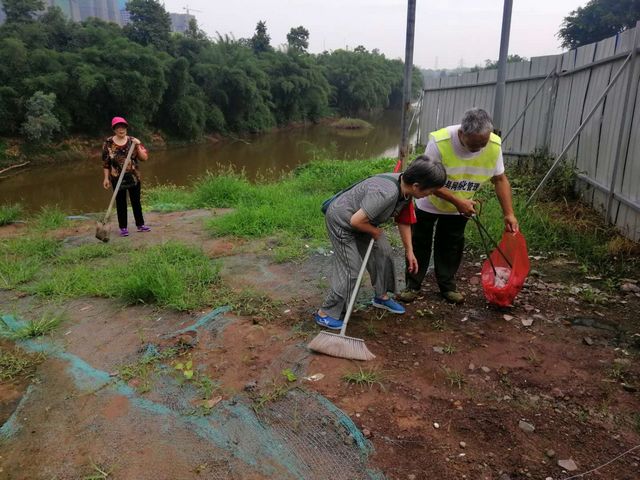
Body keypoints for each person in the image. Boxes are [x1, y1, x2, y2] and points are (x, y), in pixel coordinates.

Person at [398, 108, 519, 305]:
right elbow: (426, 179)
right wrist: (457, 201)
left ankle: (447, 285)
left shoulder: (493, 145)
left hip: (461, 205)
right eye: (474, 144)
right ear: (461, 134)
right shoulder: (439, 142)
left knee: (451, 244)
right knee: (420, 242)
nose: (479, 148)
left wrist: (509, 214)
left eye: (483, 143)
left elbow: (500, 179)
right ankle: (413, 285)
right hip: (429, 200)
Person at [315, 156, 447, 330]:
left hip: (364, 221)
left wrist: (409, 251)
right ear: (416, 186)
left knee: (383, 252)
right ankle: (325, 313)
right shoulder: (386, 193)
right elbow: (355, 221)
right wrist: (375, 231)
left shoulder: (405, 188)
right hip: (342, 222)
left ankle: (381, 296)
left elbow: (403, 220)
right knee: (351, 270)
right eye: (429, 191)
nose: (429, 195)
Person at [102, 116, 150, 237]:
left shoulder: (133, 141)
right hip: (116, 178)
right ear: (114, 129)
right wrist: (106, 178)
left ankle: (140, 225)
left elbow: (144, 158)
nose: (121, 129)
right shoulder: (108, 143)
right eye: (118, 127)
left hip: (133, 177)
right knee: (120, 202)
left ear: (126, 128)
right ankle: (123, 228)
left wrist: (138, 146)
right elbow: (106, 163)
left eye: (123, 126)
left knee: (136, 201)